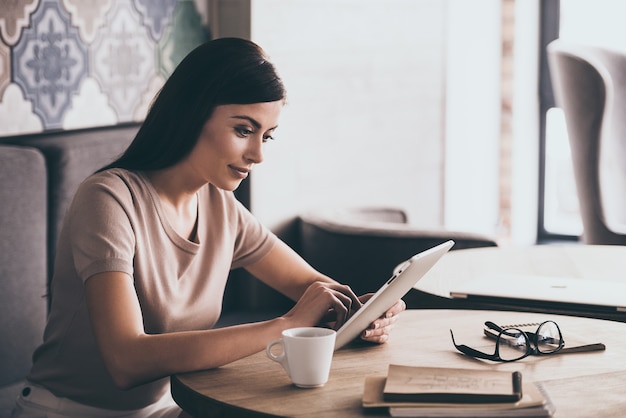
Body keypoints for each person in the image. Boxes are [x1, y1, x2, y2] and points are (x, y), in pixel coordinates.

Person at [12, 37, 405, 417]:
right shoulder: (108, 199)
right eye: (243, 130)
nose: (258, 154)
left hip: (168, 407)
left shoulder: (221, 206)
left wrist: (366, 311)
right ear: (191, 113)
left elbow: (316, 290)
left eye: (267, 136)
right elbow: (125, 360)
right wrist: (286, 324)